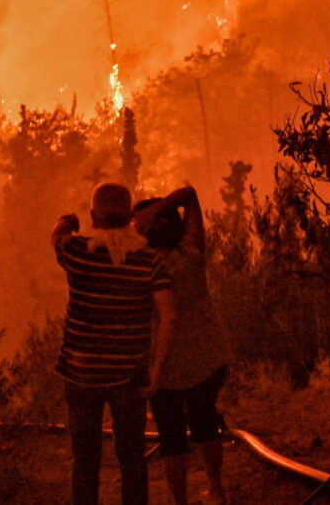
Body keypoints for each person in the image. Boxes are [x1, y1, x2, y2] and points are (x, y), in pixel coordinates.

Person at [52, 182, 177, 505]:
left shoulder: (77, 253)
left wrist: (67, 220)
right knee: (133, 458)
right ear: (129, 217)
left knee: (85, 461)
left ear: (94, 215)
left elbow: (57, 237)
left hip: (80, 373)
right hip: (130, 376)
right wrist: (157, 371)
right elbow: (170, 316)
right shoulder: (149, 260)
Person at [134, 185, 232, 505]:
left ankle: (181, 502)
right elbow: (190, 193)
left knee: (171, 436)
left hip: (163, 365)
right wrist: (159, 208)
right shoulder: (191, 252)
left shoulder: (141, 266)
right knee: (204, 423)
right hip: (206, 355)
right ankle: (215, 490)